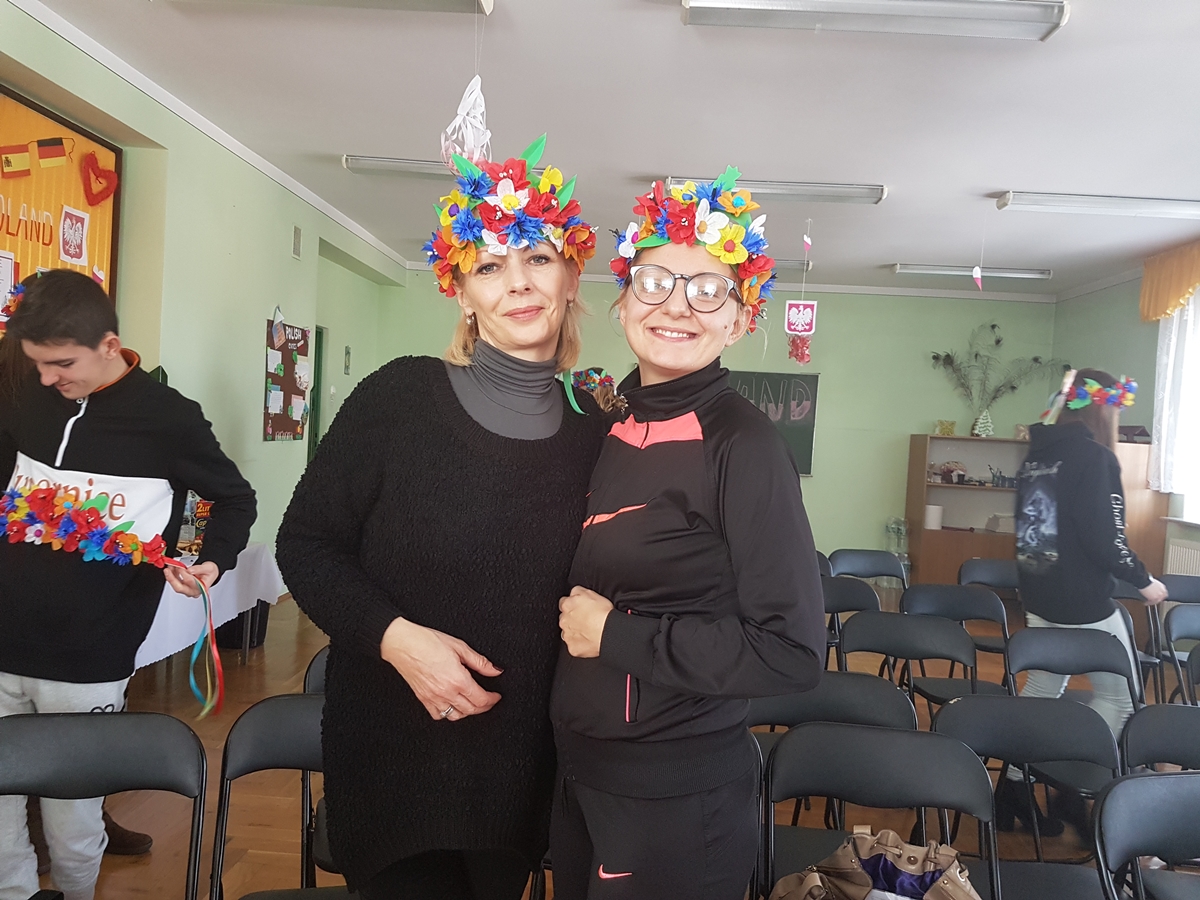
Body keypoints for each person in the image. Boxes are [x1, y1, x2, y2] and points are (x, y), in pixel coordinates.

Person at [275, 137, 606, 900]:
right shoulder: (398, 399)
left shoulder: (597, 433)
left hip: (521, 766)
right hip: (391, 753)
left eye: (538, 258)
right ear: (461, 292)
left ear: (569, 276)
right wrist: (399, 640)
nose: (518, 283)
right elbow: (307, 545)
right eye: (489, 267)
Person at [550, 171, 827, 900]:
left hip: (673, 795)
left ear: (739, 320)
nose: (676, 305)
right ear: (622, 302)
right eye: (654, 282)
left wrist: (617, 636)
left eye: (707, 290)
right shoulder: (606, 425)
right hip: (580, 773)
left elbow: (793, 653)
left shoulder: (744, 444)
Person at [0, 270, 257, 900]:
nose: (47, 378)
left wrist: (201, 558)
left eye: (62, 363)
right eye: (37, 363)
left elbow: (226, 498)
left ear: (109, 345)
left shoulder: (169, 418)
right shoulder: (25, 394)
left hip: (92, 653)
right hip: (1, 640)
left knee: (74, 817)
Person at [999, 367, 1168, 833]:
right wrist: (1144, 581)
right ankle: (1071, 790)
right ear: (1104, 408)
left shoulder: (1036, 457)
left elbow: (1031, 531)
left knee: (1042, 689)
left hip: (1040, 594)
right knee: (1120, 697)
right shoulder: (1095, 458)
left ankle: (1011, 788)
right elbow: (1107, 539)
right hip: (1083, 602)